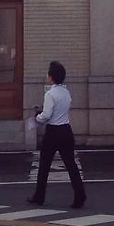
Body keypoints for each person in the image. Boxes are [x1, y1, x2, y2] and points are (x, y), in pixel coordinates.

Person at [26, 60, 86, 209]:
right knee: (71, 165)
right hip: (66, 130)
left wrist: (37, 117)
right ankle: (80, 195)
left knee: (44, 165)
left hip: (53, 132)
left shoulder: (50, 94)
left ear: (51, 77)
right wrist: (43, 110)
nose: (47, 76)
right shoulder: (66, 92)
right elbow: (60, 109)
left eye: (48, 73)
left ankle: (39, 196)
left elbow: (46, 116)